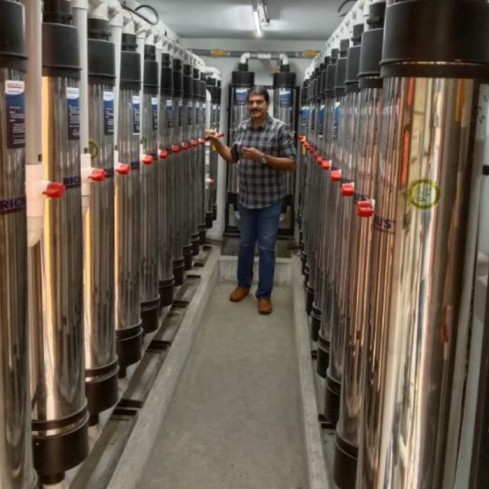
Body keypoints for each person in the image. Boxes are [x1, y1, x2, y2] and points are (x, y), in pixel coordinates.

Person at [206, 86, 296, 315]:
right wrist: (216, 142)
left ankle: (264, 295)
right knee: (245, 245)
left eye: (259, 102)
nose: (254, 106)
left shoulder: (280, 129)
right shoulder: (242, 128)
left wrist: (262, 157)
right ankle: (243, 285)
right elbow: (231, 158)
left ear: (268, 104)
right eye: (251, 102)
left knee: (266, 248)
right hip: (246, 199)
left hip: (270, 201)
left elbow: (292, 163)